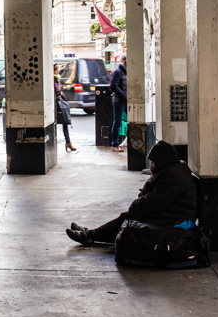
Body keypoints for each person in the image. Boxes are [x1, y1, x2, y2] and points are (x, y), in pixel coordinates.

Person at [66, 140, 197, 246]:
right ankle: (91, 233)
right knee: (128, 216)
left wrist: (136, 205)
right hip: (171, 214)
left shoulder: (173, 178)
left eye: (154, 162)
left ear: (162, 161)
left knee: (128, 219)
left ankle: (89, 235)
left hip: (173, 219)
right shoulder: (173, 171)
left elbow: (154, 202)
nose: (152, 165)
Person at [54, 65, 75, 152]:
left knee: (65, 121)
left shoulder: (57, 79)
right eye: (56, 70)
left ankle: (68, 142)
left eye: (58, 70)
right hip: (55, 104)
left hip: (60, 103)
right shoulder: (52, 80)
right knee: (54, 124)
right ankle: (54, 143)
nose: (57, 72)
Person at [109, 53, 127, 152]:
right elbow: (113, 86)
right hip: (119, 101)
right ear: (123, 60)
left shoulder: (126, 72)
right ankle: (114, 145)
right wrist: (123, 95)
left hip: (126, 100)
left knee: (131, 120)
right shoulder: (118, 72)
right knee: (117, 122)